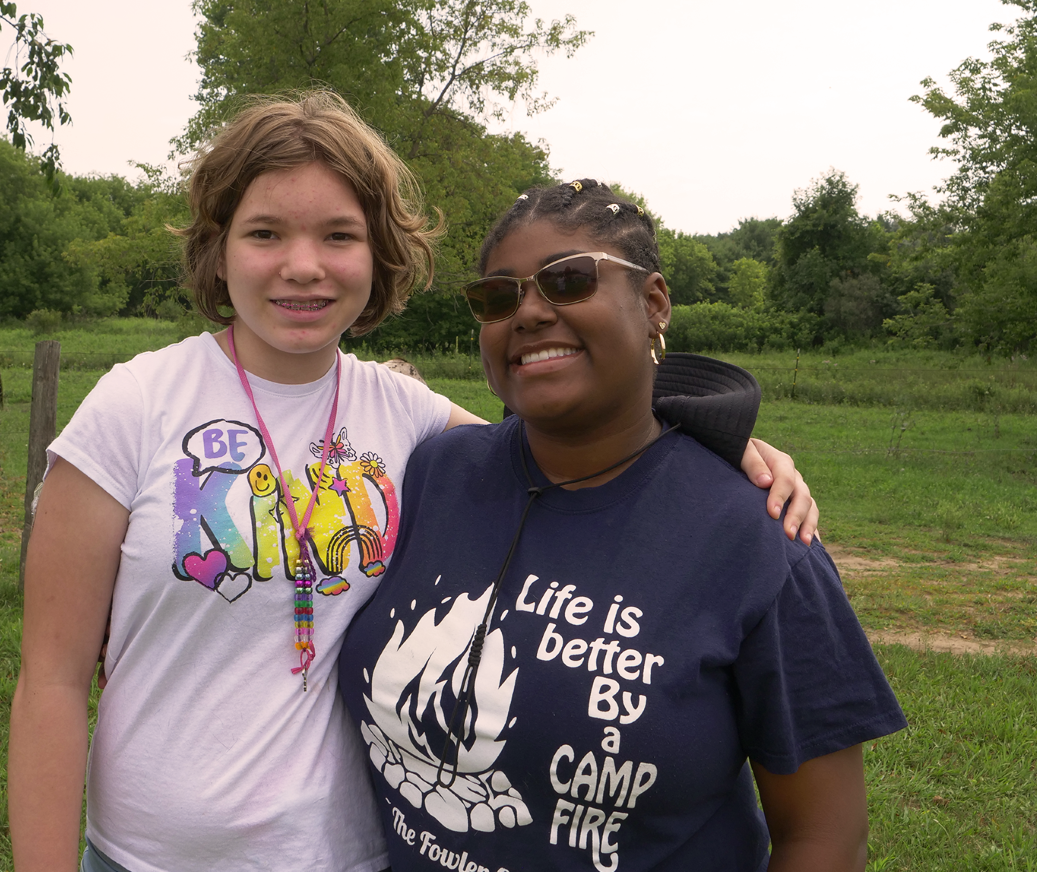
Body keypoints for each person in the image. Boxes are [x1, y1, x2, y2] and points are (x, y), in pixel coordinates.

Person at [7, 95, 817, 872]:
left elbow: (581, 434)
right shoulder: (135, 405)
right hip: (144, 860)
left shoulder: (408, 418)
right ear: (219, 249)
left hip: (353, 859)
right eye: (264, 233)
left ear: (378, 253)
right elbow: (51, 679)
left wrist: (716, 438)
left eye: (339, 236)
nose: (303, 266)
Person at [339, 179, 907, 872]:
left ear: (655, 303)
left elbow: (824, 839)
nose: (529, 312)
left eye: (568, 280)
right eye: (499, 295)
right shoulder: (434, 474)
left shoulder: (756, 536)